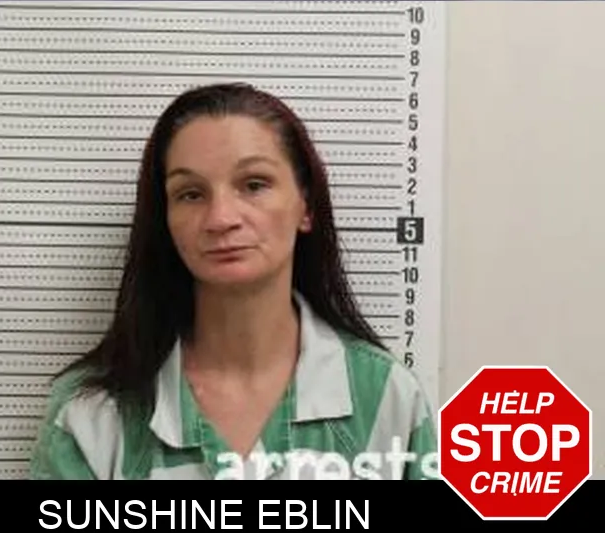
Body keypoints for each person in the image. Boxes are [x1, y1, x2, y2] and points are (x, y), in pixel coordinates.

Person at [29, 83, 437, 480]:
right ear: (165, 218)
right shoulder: (90, 414)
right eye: (190, 194)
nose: (221, 218)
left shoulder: (388, 399)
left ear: (306, 206)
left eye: (254, 185)